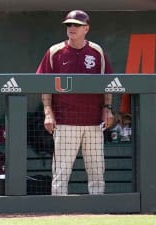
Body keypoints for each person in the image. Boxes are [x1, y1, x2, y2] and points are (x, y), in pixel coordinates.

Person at [36, 10, 114, 195]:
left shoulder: (97, 51)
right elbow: (44, 85)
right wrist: (48, 112)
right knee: (61, 172)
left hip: (94, 122)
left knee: (96, 171)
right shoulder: (55, 52)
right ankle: (58, 212)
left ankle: (98, 210)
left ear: (86, 28)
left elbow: (108, 83)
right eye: (69, 25)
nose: (71, 28)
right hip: (65, 121)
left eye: (76, 25)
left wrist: (108, 108)